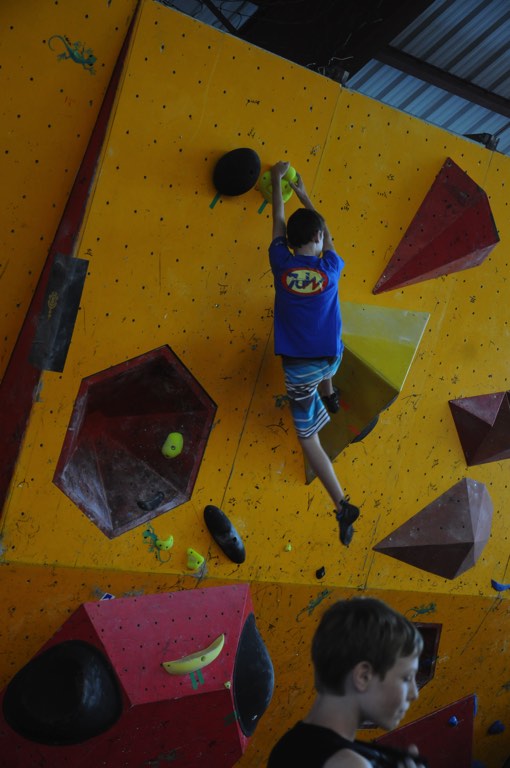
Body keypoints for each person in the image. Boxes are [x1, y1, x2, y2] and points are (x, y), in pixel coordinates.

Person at [268, 161, 359, 546]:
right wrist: (304, 194)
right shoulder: (331, 267)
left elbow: (277, 220)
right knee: (328, 358)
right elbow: (327, 236)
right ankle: (330, 394)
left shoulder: (281, 263)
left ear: (290, 243)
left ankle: (342, 505)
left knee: (309, 440)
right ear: (319, 236)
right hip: (331, 357)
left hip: (301, 368)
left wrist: (277, 181)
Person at [267, 596, 426, 768]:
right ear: (363, 676)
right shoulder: (350, 763)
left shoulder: (287, 745)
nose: (414, 694)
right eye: (407, 678)